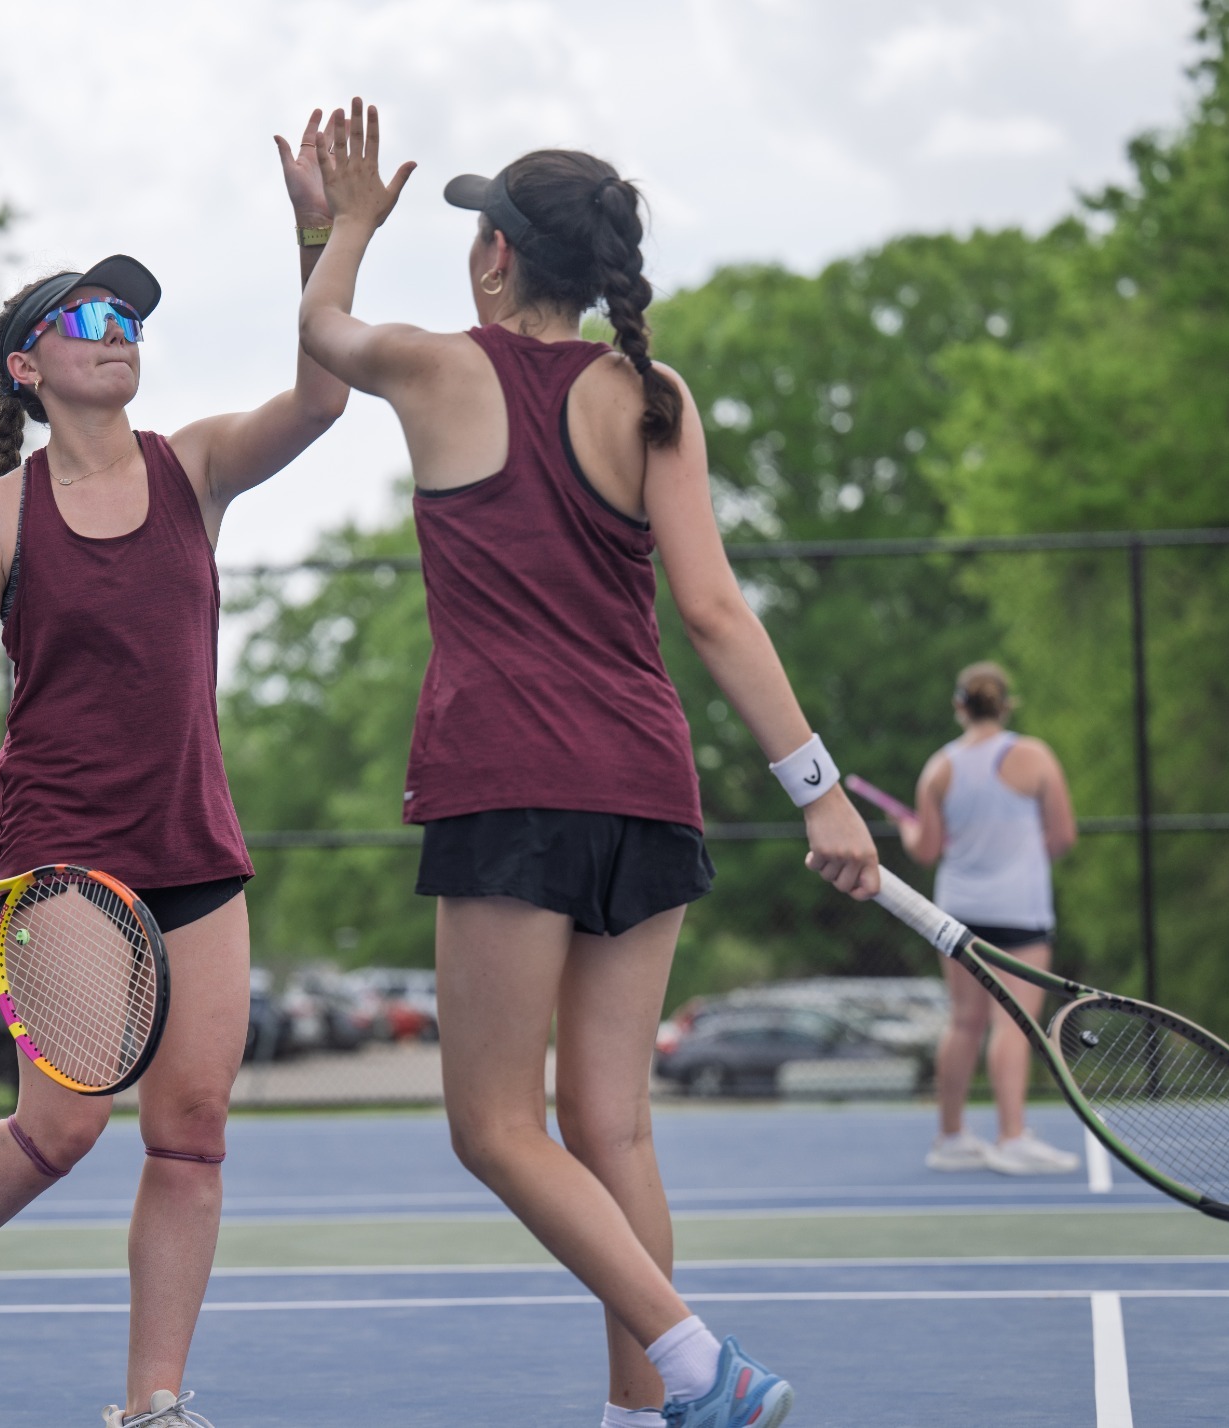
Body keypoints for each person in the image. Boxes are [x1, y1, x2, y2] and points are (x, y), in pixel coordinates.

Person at [299, 101, 879, 1428]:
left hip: (512, 787)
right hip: (646, 788)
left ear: (497, 255)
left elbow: (320, 336)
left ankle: (695, 1367)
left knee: (495, 1127)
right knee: (611, 1128)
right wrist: (822, 788)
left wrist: (340, 231)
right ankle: (645, 1414)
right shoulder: (654, 397)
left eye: (472, 234)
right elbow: (719, 615)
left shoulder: (446, 369)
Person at [0, 111, 350, 1428]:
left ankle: (152, 1403)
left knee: (194, 1133)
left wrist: (315, 236)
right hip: (58, 858)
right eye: (88, 319)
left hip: (195, 849)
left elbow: (328, 395)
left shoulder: (198, 468)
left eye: (131, 320)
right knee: (61, 1130)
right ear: (29, 365)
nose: (118, 333)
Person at [899, 661, 1081, 1174]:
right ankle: (1012, 1137)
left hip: (958, 915)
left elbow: (926, 850)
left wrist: (909, 830)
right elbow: (1063, 837)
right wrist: (1021, 852)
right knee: (1015, 1024)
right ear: (1005, 705)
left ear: (960, 707)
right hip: (1020, 909)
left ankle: (951, 1137)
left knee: (964, 1021)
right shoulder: (1036, 757)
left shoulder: (939, 768)